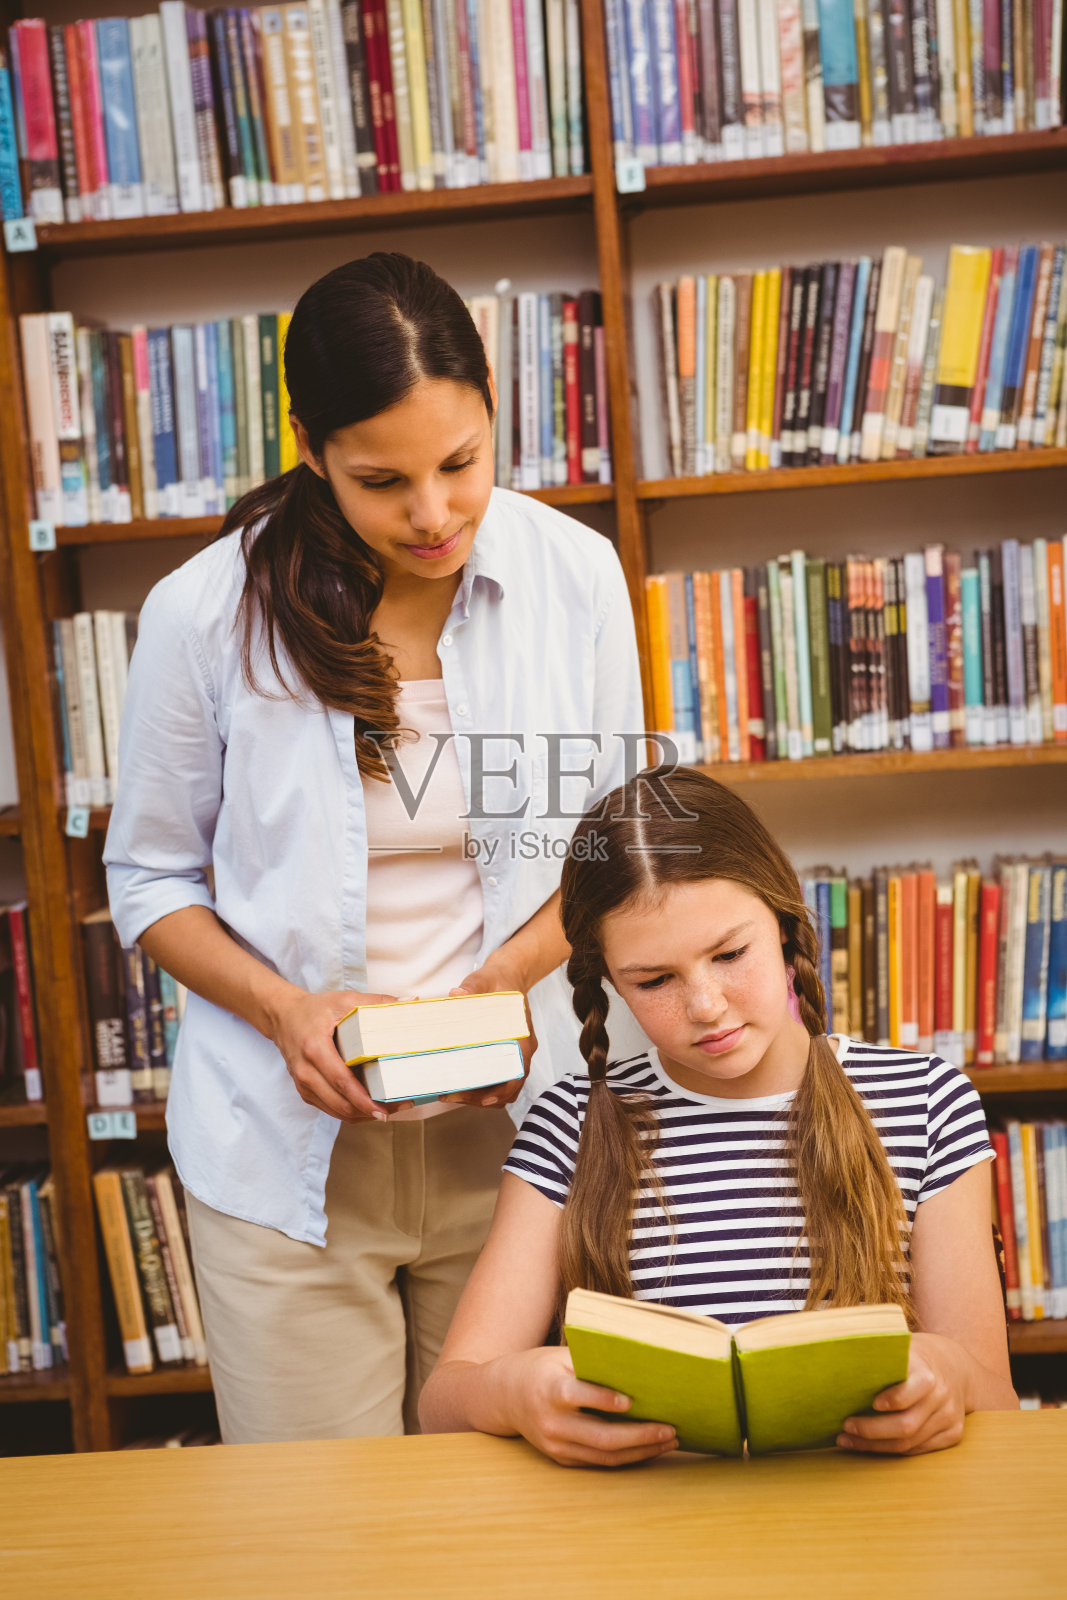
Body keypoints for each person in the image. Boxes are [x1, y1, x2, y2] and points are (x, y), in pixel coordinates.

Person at [104, 253, 644, 1444]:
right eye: (382, 480)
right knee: (322, 1545)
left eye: (461, 462)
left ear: (493, 405)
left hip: (518, 1138)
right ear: (310, 449)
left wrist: (503, 982)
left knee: (503, 1531)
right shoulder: (205, 613)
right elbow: (146, 878)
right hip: (285, 1163)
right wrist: (290, 1009)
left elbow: (618, 836)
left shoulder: (573, 578)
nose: (435, 513)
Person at [419, 768, 1018, 1464]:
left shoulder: (924, 1101)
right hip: (646, 1537)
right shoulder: (569, 1128)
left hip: (871, 1530)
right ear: (608, 979)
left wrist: (947, 1379)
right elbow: (444, 1403)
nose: (705, 1005)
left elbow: (993, 1396)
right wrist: (513, 1390)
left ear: (786, 920)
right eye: (655, 980)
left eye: (730, 955)